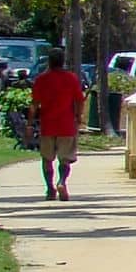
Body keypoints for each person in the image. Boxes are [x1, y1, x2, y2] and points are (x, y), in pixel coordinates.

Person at [30, 46, 87, 201]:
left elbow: (34, 104)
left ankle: (49, 188)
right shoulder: (71, 78)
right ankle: (61, 182)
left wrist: (29, 124)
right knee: (65, 158)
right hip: (66, 124)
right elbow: (79, 101)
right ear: (63, 61)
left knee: (47, 159)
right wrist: (78, 116)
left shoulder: (41, 79)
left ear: (49, 61)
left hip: (48, 125)